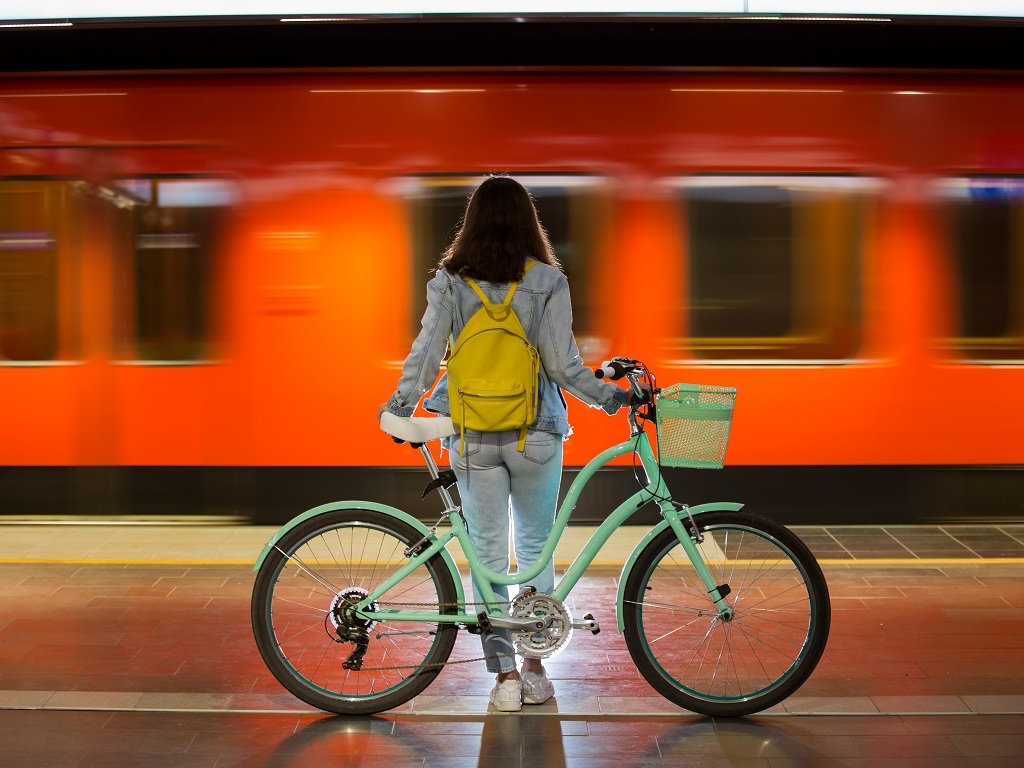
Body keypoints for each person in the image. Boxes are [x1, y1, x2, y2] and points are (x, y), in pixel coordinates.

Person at [378, 175, 632, 712]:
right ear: (528, 223)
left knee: (488, 554)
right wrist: (609, 397)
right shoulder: (546, 281)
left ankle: (504, 681)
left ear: (471, 224)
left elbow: (426, 354)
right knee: (536, 548)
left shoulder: (449, 281)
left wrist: (399, 406)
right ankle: (536, 668)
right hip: (535, 431)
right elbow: (563, 366)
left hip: (470, 433)